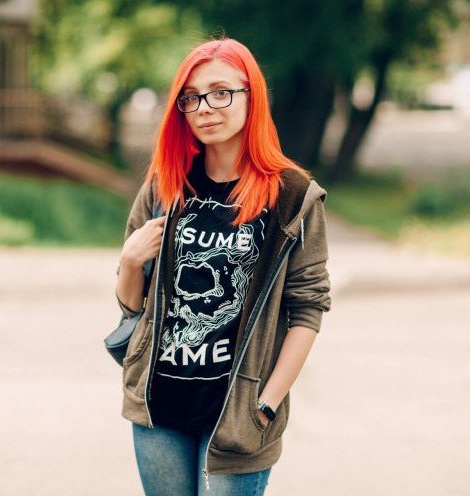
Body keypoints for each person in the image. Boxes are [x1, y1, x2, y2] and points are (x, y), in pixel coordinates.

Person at [115, 37, 331, 496]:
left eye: (221, 92)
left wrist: (266, 404)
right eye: (191, 97)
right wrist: (131, 261)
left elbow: (308, 308)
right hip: (159, 405)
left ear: (252, 97)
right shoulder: (166, 185)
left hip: (238, 414)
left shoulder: (293, 196)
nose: (205, 108)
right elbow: (132, 307)